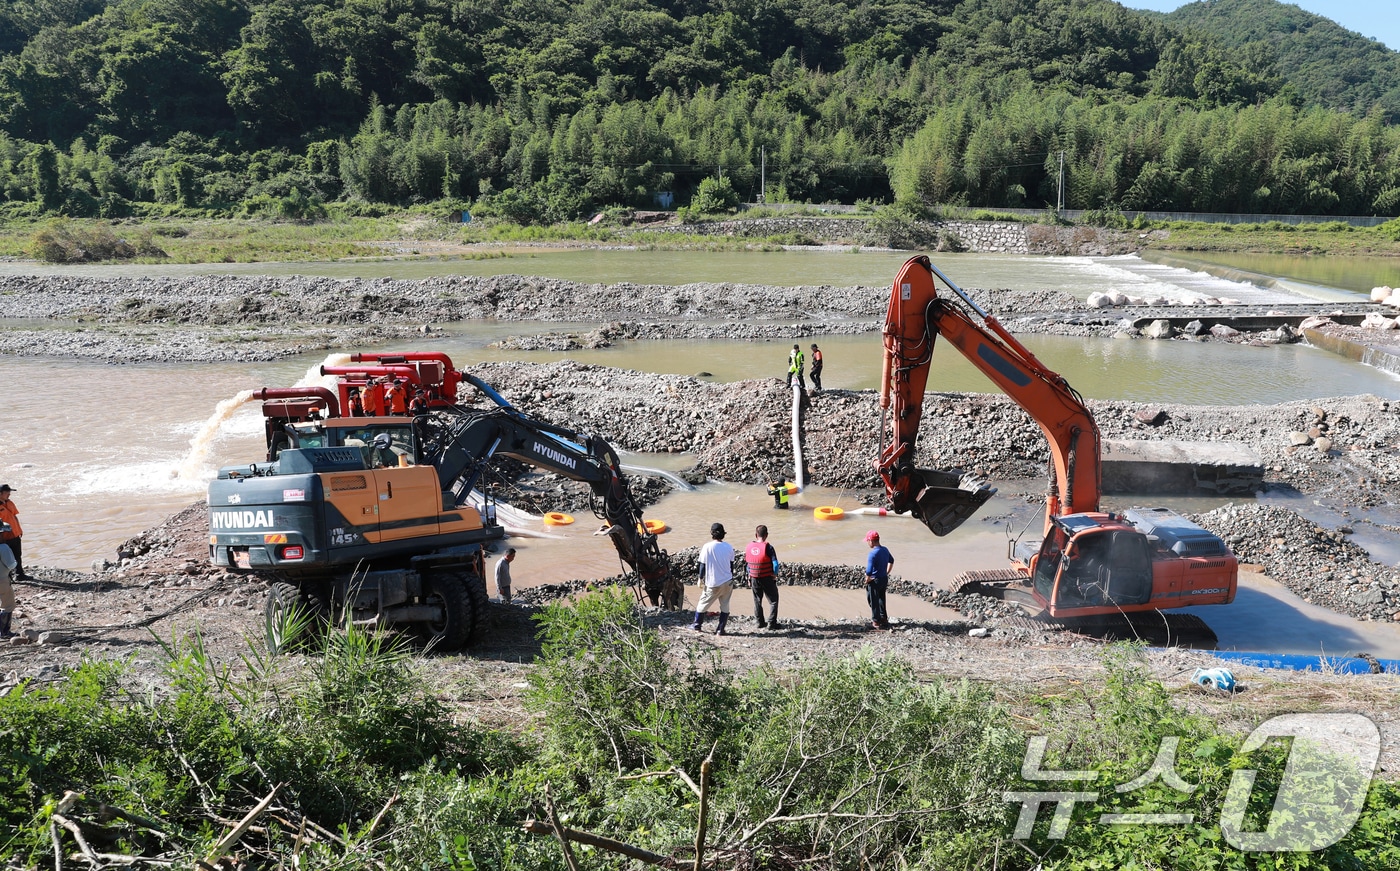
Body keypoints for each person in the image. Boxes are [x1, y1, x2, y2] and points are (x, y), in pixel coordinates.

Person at [692, 522, 736, 635]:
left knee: (702, 604)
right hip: (727, 581)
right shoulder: (729, 547)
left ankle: (697, 625)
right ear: (723, 534)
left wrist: (700, 578)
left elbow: (702, 565)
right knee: (725, 605)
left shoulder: (707, 547)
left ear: (712, 533)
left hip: (713, 583)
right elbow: (731, 566)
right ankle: (720, 629)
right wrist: (730, 578)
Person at [746, 524, 780, 630]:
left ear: (756, 535)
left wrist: (749, 576)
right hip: (767, 577)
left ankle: (759, 622)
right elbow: (775, 564)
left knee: (757, 600)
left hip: (754, 577)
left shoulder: (749, 547)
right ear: (766, 535)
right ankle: (771, 623)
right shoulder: (769, 547)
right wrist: (774, 574)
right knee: (773, 600)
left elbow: (748, 565)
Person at [863, 530, 893, 629]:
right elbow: (891, 560)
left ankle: (876, 621)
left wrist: (867, 579)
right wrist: (887, 572)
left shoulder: (872, 554)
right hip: (884, 578)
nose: (867, 543)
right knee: (881, 598)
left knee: (873, 600)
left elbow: (869, 571)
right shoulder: (885, 550)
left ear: (871, 541)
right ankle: (883, 618)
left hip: (875, 580)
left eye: (867, 541)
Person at [0, 485, 24, 581]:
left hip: (15, 534)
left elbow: (14, 516)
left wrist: (19, 529)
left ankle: (20, 575)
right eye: (7, 492)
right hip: (4, 537)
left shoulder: (10, 503)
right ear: (0, 493)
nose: (9, 494)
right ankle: (8, 578)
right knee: (5, 558)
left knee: (18, 555)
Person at [0, 528, 15, 639]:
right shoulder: (3, 547)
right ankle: (4, 632)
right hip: (2, 579)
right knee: (8, 605)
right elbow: (11, 565)